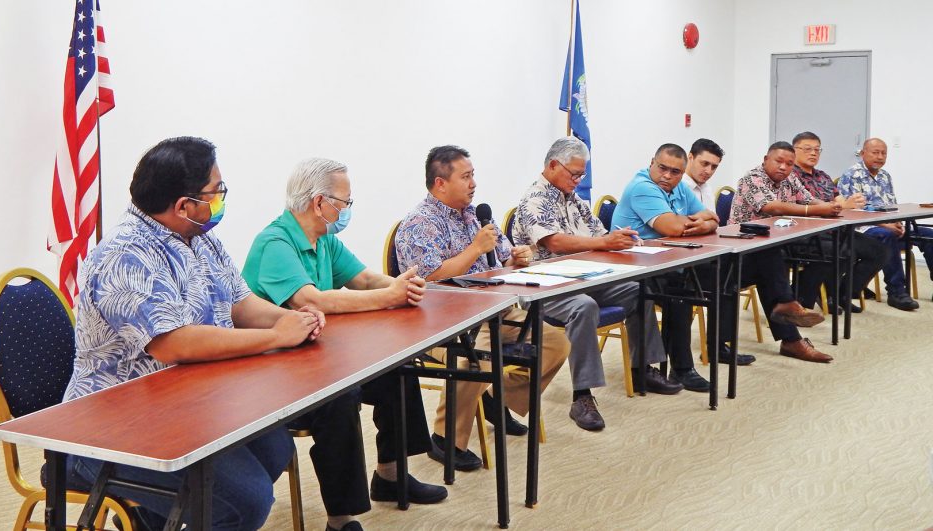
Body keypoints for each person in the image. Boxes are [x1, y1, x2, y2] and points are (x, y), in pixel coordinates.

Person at [62, 137, 317, 530]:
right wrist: (276, 337)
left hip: (186, 404)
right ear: (183, 206)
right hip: (112, 426)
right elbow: (173, 342)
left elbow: (240, 303)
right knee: (244, 502)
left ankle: (150, 520)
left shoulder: (199, 237)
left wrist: (293, 321)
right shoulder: (125, 253)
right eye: (217, 191)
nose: (221, 198)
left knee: (274, 448)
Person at [243, 158, 447, 531]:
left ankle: (390, 474)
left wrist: (401, 285)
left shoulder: (324, 241)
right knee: (341, 397)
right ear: (320, 203)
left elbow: (365, 280)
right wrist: (391, 297)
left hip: (315, 357)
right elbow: (311, 301)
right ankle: (342, 518)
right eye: (345, 202)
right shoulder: (274, 243)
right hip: (272, 374)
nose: (348, 209)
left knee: (395, 369)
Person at [395, 145, 573, 463]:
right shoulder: (418, 225)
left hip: (494, 311)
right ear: (440, 183)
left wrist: (516, 259)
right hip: (442, 323)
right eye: (465, 177)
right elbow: (431, 278)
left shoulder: (475, 216)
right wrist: (475, 249)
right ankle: (446, 438)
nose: (473, 183)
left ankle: (494, 396)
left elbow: (502, 258)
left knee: (555, 343)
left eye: (473, 175)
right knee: (478, 359)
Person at [511, 138, 683, 420]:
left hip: (585, 277)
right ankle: (582, 396)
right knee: (583, 307)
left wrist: (619, 238)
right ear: (553, 165)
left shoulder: (573, 199)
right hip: (547, 285)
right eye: (574, 174)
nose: (579, 181)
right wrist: (604, 244)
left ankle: (642, 368)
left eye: (582, 175)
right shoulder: (534, 199)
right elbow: (554, 243)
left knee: (639, 290)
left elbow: (598, 232)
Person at [611, 142, 727, 391]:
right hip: (631, 266)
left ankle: (719, 348)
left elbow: (712, 218)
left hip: (666, 261)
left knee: (724, 275)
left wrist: (704, 225)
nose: (667, 176)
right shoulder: (642, 187)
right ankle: (681, 369)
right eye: (662, 168)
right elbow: (672, 228)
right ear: (652, 162)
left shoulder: (679, 188)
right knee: (679, 294)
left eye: (675, 172)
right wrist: (695, 223)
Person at [728, 141, 840, 363]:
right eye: (778, 161)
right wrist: (818, 209)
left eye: (789, 164)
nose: (783, 167)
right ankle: (791, 321)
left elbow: (808, 199)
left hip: (775, 246)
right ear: (765, 159)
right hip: (741, 251)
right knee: (769, 260)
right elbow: (772, 207)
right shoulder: (752, 178)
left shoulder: (790, 178)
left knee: (826, 251)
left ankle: (792, 311)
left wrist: (831, 207)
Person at [790, 131, 887, 313]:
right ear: (794, 151)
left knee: (879, 251)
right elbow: (803, 206)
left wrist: (849, 204)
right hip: (809, 232)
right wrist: (841, 206)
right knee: (843, 251)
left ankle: (843, 292)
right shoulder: (791, 177)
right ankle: (810, 295)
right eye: (808, 149)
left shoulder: (823, 176)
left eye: (817, 150)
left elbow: (839, 199)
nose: (813, 153)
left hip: (835, 229)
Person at [838, 137, 933, 310]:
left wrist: (897, 222)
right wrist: (886, 225)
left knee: (928, 235)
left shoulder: (885, 176)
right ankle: (897, 292)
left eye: (883, 153)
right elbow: (851, 211)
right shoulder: (851, 175)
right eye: (875, 152)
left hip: (888, 225)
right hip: (864, 228)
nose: (880, 157)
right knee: (887, 236)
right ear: (862, 153)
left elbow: (892, 206)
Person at [682, 138, 723, 205]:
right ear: (690, 157)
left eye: (714, 167)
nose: (709, 171)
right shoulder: (675, 189)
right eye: (705, 163)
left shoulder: (707, 189)